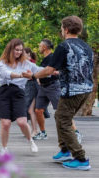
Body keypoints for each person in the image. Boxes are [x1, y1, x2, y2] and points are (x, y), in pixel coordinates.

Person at [23, 16, 93, 170]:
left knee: (64, 120)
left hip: (71, 91)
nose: (61, 30)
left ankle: (81, 159)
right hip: (86, 89)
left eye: (62, 27)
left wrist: (33, 76)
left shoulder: (64, 47)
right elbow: (80, 69)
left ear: (66, 29)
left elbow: (49, 70)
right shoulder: (86, 47)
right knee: (60, 116)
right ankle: (65, 150)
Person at [0, 38, 40, 154]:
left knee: (22, 122)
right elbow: (5, 74)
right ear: (10, 49)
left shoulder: (26, 63)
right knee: (5, 123)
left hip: (18, 92)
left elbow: (39, 70)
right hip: (4, 92)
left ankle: (31, 140)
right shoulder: (2, 63)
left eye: (20, 50)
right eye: (16, 50)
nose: (18, 52)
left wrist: (51, 71)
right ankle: (4, 148)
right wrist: (21, 75)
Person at [23, 48, 39, 137]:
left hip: (31, 86)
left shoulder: (31, 63)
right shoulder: (25, 63)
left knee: (30, 110)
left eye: (23, 53)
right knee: (30, 110)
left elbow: (34, 75)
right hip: (28, 86)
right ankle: (33, 130)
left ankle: (35, 130)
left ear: (28, 54)